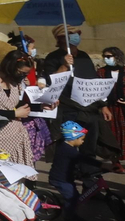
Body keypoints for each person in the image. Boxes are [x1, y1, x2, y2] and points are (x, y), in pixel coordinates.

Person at [44, 24, 106, 160]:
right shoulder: (53, 57)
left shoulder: (84, 56)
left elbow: (94, 80)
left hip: (89, 108)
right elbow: (51, 81)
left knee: (89, 146)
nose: (76, 36)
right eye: (71, 34)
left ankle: (88, 175)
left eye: (77, 33)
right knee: (67, 146)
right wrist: (64, 65)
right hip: (68, 110)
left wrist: (103, 105)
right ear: (61, 39)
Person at [49, 120, 91, 221]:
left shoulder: (65, 145)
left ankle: (71, 213)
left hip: (65, 178)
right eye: (81, 139)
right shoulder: (69, 150)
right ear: (73, 138)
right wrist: (101, 165)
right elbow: (83, 158)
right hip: (60, 179)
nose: (83, 142)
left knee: (74, 195)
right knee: (72, 197)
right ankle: (66, 219)